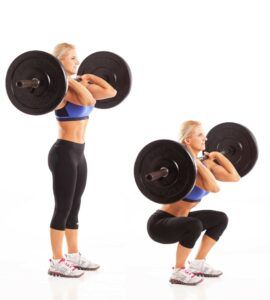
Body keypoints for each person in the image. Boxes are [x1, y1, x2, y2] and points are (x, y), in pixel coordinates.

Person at [48, 43, 117, 278]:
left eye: (77, 58)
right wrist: (74, 81)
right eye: (72, 58)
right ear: (60, 63)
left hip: (79, 153)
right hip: (64, 153)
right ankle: (56, 261)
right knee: (62, 208)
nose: (77, 62)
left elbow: (111, 93)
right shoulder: (60, 91)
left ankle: (73, 255)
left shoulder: (77, 84)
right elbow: (89, 101)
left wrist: (87, 76)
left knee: (75, 206)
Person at [147, 120, 240, 285]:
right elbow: (214, 187)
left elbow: (234, 177)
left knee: (220, 218)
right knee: (194, 224)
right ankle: (178, 271)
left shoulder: (204, 164)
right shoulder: (183, 167)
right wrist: (196, 162)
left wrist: (218, 156)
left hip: (182, 220)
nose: (205, 138)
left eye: (204, 134)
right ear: (187, 140)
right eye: (200, 135)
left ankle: (198, 263)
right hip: (160, 225)